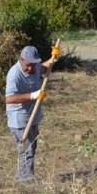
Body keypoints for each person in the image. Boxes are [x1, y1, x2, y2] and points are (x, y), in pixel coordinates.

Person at [5, 44, 59, 182]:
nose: (30, 68)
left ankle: (22, 175)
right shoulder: (14, 74)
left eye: (33, 65)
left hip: (32, 116)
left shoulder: (35, 68)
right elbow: (9, 98)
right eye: (28, 65)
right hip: (19, 118)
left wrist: (55, 57)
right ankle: (26, 179)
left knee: (32, 146)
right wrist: (33, 96)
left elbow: (44, 67)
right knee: (26, 149)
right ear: (21, 60)